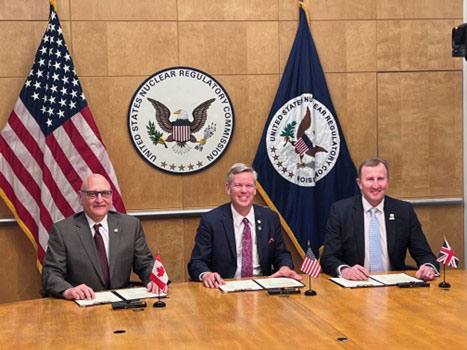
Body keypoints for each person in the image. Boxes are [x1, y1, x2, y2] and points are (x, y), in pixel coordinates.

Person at [41, 174, 166, 300]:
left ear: (111, 197)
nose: (99, 200)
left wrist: (154, 279)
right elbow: (51, 274)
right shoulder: (63, 231)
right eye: (92, 194)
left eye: (105, 193)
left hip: (122, 305)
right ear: (80, 197)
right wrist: (68, 290)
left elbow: (145, 263)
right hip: (82, 305)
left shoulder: (130, 226)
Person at [320, 158, 439, 281]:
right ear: (359, 183)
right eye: (370, 179)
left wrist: (427, 267)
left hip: (394, 288)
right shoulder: (341, 211)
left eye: (381, 179)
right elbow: (329, 257)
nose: (376, 185)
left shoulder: (404, 211)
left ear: (387, 182)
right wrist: (345, 270)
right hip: (355, 286)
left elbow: (425, 255)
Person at [188, 163, 301, 288]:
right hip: (225, 287)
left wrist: (285, 267)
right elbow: (197, 262)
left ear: (255, 189)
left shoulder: (270, 217)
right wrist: (206, 274)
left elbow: (281, 253)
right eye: (238, 185)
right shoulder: (211, 220)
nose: (244, 190)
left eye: (249, 186)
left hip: (263, 288)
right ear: (228, 188)